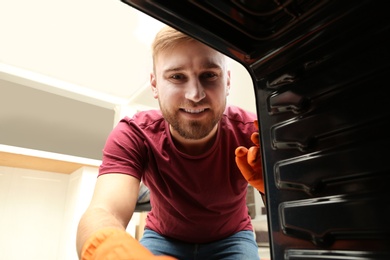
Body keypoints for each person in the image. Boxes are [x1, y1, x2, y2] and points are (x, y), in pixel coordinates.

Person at [76, 25, 264, 260]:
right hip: (163, 237)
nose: (195, 95)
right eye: (177, 76)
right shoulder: (134, 134)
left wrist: (275, 191)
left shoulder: (254, 131)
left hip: (232, 238)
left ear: (226, 81)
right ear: (154, 85)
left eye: (209, 75)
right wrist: (113, 253)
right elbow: (104, 210)